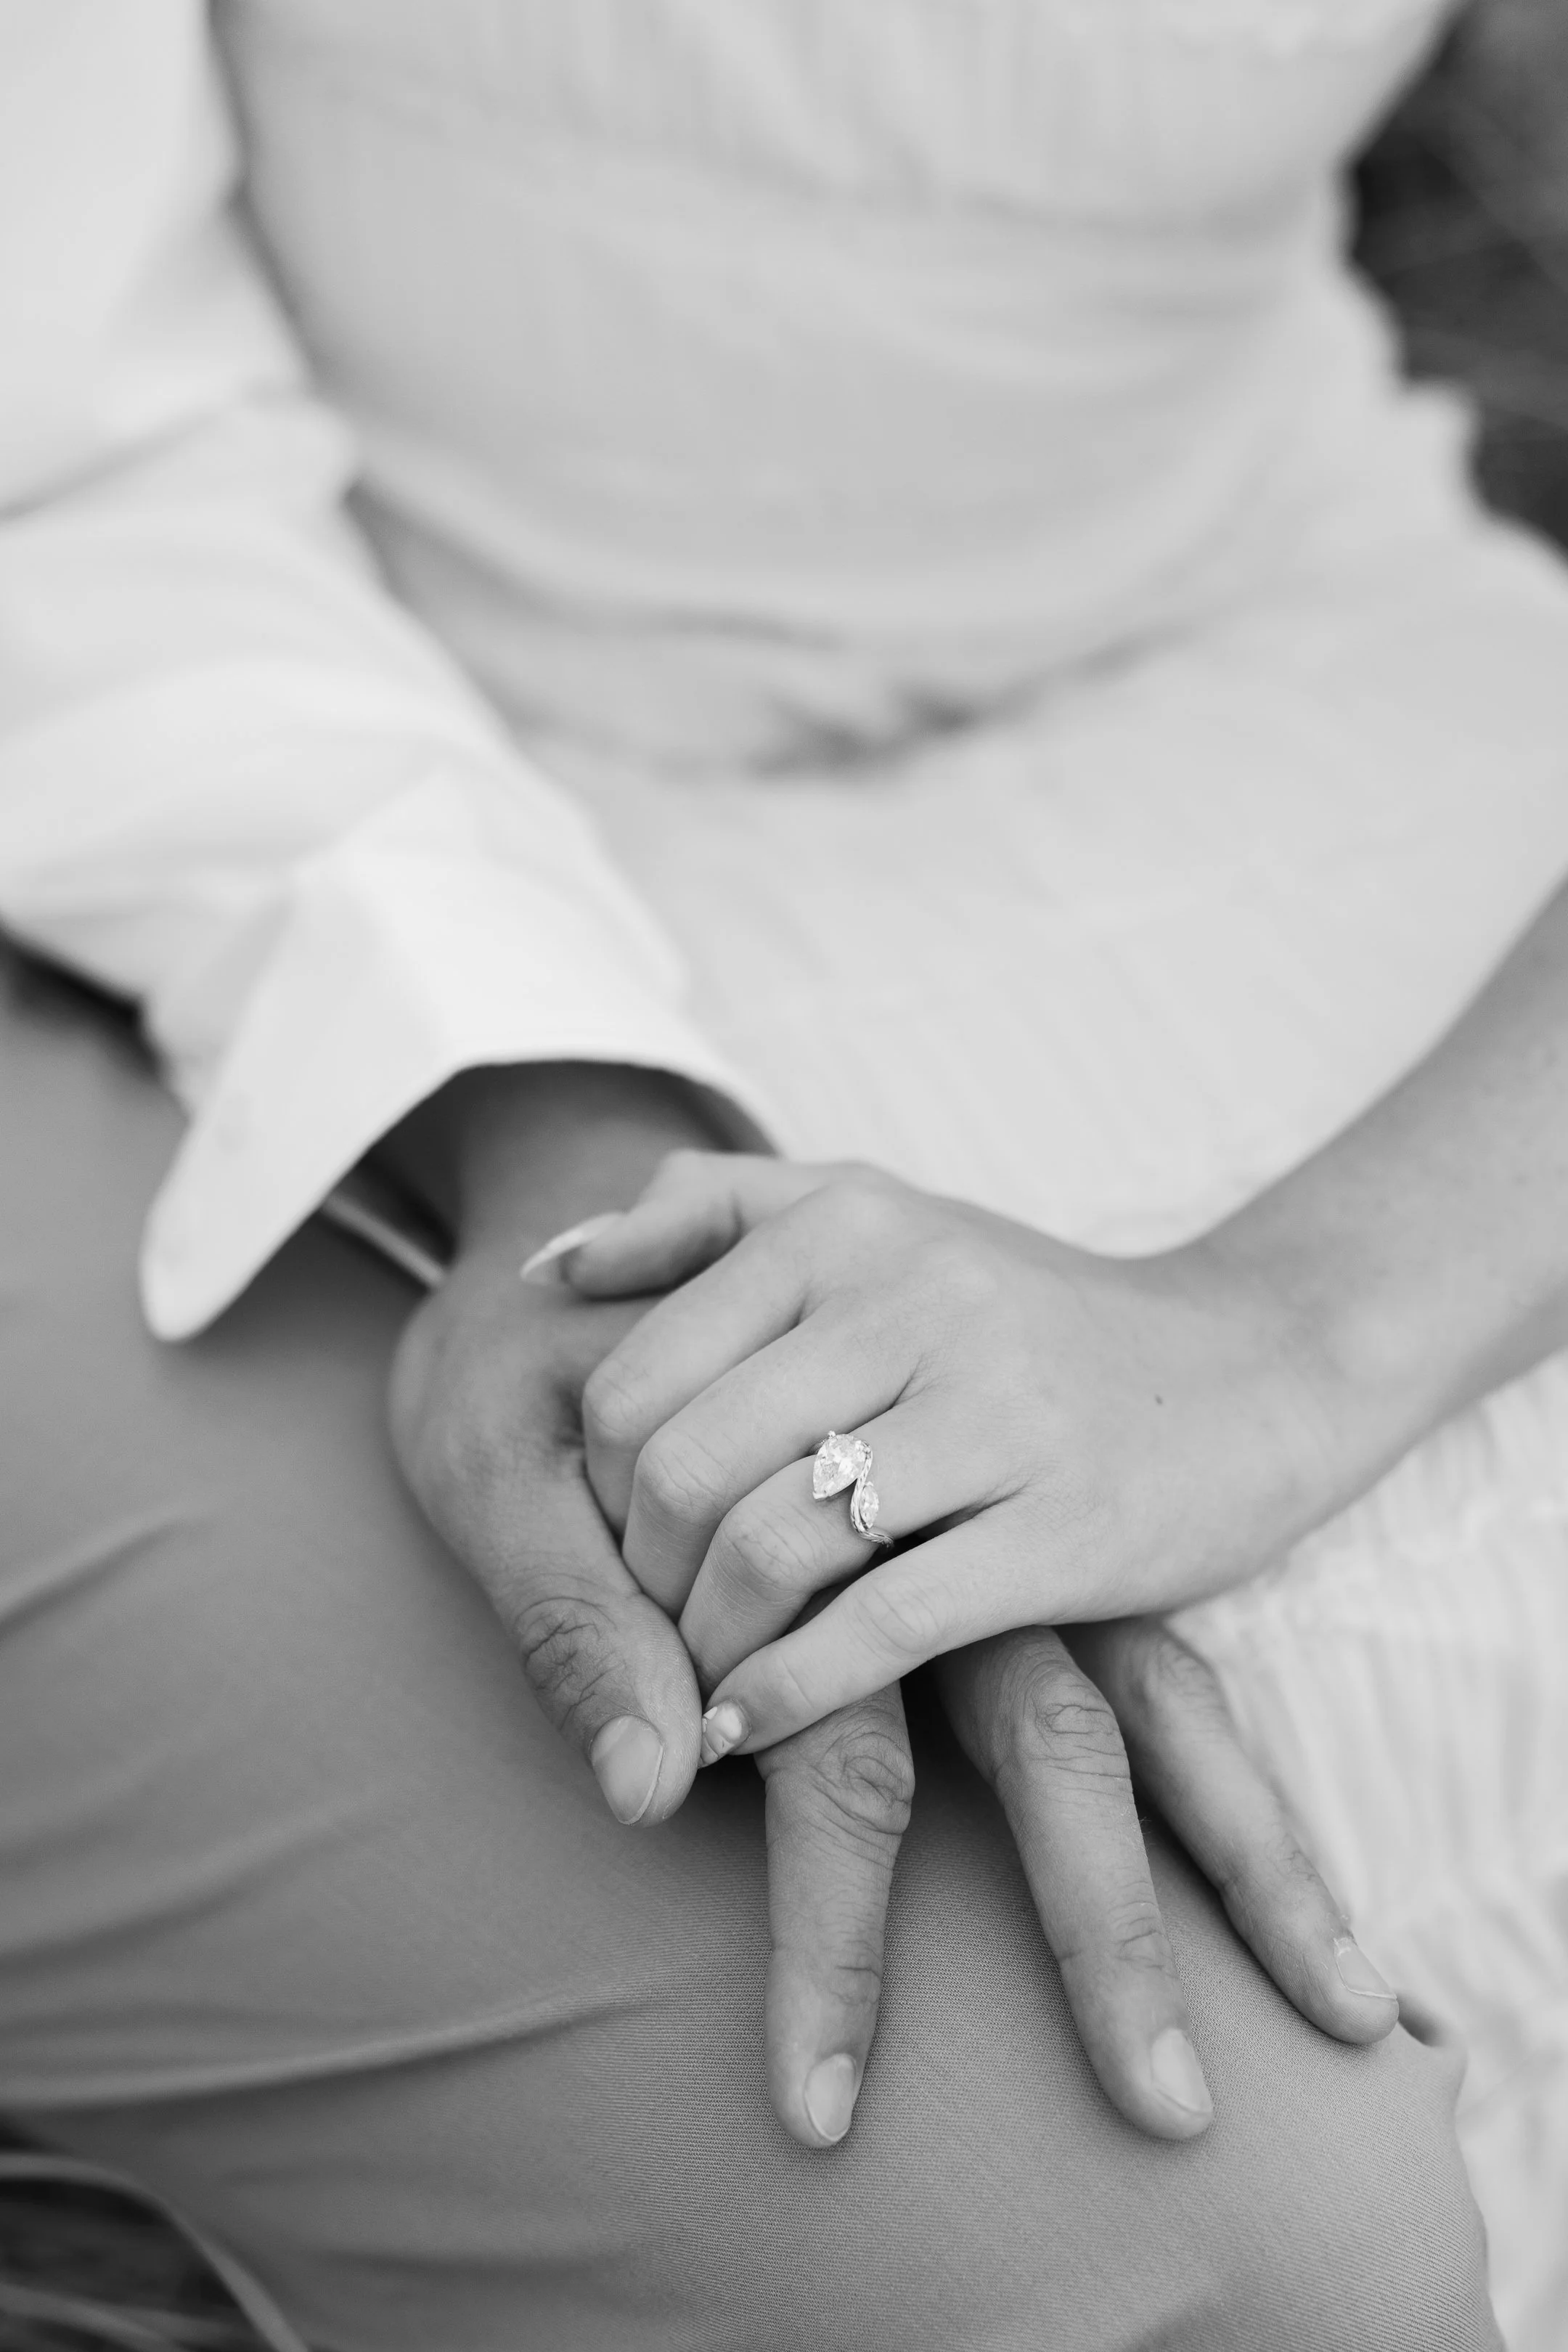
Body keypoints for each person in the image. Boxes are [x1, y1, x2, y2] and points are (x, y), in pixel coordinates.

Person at [1, 0, 1564, 2344]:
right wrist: (548, 1105)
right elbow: (67, 414)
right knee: (1137, 2061)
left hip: (1267, 643)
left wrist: (1295, 1330)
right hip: (323, 726)